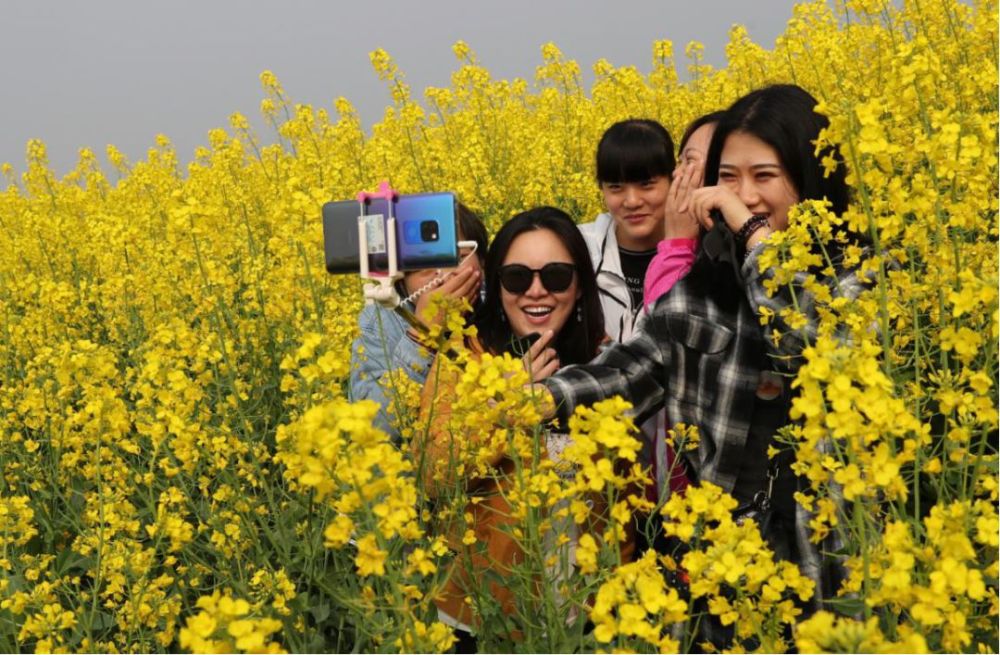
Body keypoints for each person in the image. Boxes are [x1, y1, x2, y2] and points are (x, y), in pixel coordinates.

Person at [536, 84, 860, 609]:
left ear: (809, 177)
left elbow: (813, 336)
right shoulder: (706, 290)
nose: (741, 196)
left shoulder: (867, 283)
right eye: (727, 179)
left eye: (764, 177)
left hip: (837, 584)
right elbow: (630, 368)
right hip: (724, 587)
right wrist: (544, 398)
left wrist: (757, 237)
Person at [413, 207, 607, 642]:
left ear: (579, 287)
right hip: (485, 622)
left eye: (556, 276)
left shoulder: (605, 363)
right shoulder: (464, 358)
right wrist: (506, 403)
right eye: (517, 277)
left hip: (584, 623)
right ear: (497, 287)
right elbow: (434, 476)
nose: (536, 291)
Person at [349, 203, 488, 443]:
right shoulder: (380, 322)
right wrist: (421, 336)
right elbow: (372, 430)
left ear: (484, 262)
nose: (444, 276)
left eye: (459, 258)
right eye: (423, 265)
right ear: (400, 278)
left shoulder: (511, 300)